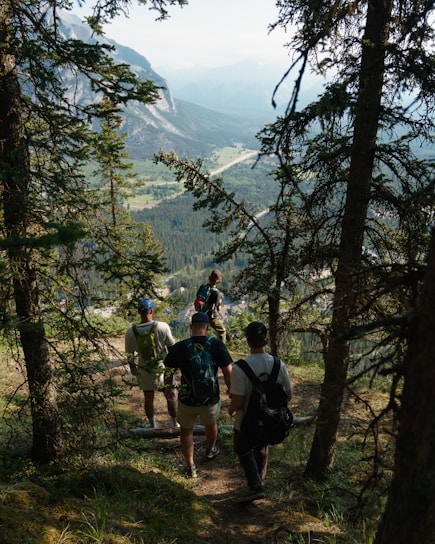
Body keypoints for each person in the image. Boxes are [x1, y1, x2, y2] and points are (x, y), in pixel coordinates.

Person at [228, 321, 292, 502]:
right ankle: (259, 481)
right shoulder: (278, 365)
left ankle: (256, 485)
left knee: (242, 448)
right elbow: (289, 395)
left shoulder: (240, 367)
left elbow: (239, 401)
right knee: (262, 447)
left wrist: (231, 410)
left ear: (248, 340)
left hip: (247, 419)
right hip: (271, 418)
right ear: (265, 340)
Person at [163, 312, 232, 478]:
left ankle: (190, 466)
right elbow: (228, 370)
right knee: (211, 424)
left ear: (191, 326)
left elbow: (168, 370)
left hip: (187, 398)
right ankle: (210, 450)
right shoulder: (216, 345)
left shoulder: (180, 347)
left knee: (186, 431)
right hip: (211, 398)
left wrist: (168, 389)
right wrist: (231, 389)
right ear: (207, 327)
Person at [125, 297, 178, 429]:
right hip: (162, 368)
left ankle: (152, 425)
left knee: (148, 398)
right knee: (170, 395)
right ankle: (175, 422)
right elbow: (172, 348)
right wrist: (173, 368)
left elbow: (130, 355)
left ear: (139, 312)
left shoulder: (130, 332)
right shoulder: (162, 326)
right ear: (151, 311)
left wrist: (134, 370)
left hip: (144, 369)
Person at [195, 269, 227, 342]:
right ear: (218, 280)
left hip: (200, 313)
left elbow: (198, 297)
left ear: (209, 277)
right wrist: (220, 304)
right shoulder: (216, 293)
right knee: (222, 331)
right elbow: (217, 308)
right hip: (210, 316)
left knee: (200, 332)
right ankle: (221, 349)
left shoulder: (203, 286)